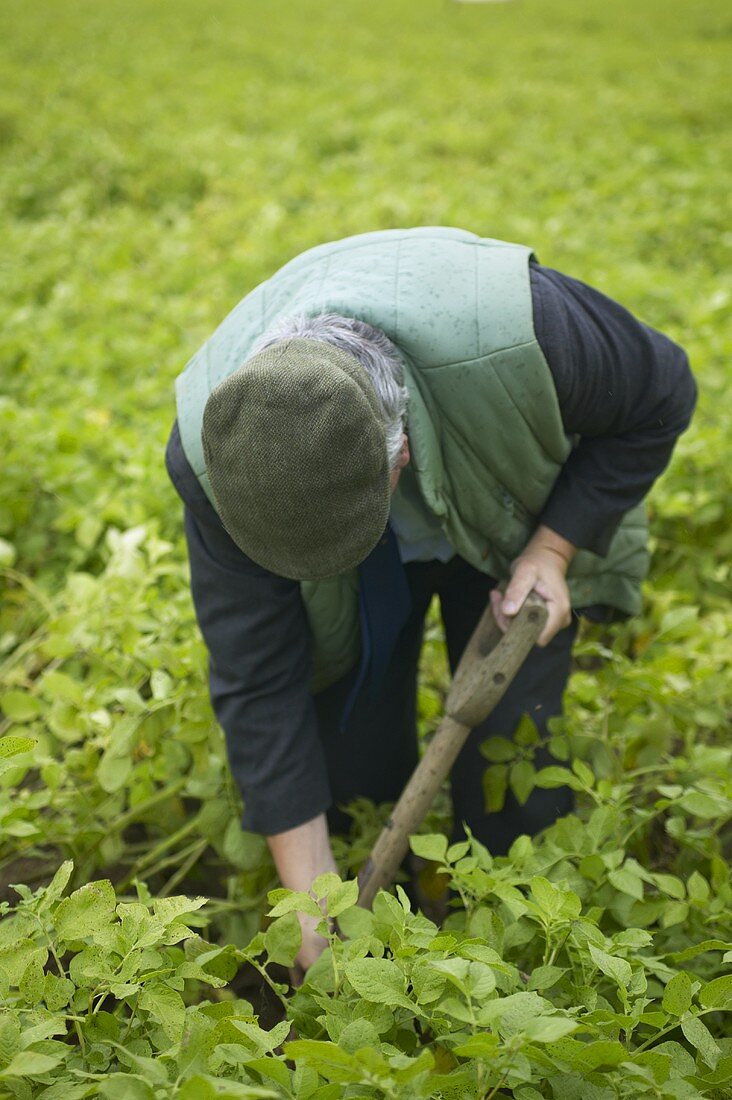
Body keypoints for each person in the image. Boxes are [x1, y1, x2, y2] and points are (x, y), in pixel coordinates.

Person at [166, 227, 696, 972]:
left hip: (507, 503)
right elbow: (258, 680)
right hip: (361, 522)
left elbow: (664, 390)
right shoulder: (220, 455)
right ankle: (394, 924)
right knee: (351, 751)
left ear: (402, 449)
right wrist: (315, 910)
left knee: (515, 757)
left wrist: (551, 548)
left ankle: (512, 950)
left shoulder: (528, 335)